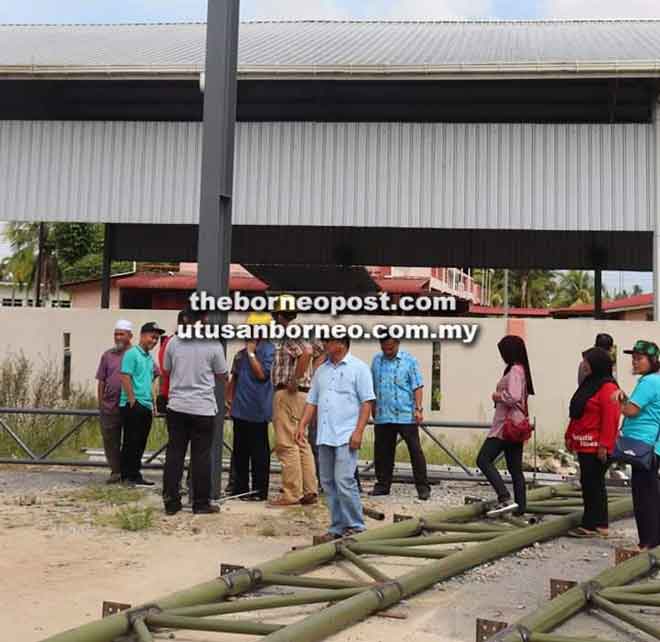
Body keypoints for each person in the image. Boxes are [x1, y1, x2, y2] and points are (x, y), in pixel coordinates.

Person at [297, 337, 375, 542]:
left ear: (341, 344)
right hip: (325, 434)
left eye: (328, 342)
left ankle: (356, 527)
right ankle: (338, 526)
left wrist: (359, 431)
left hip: (346, 434)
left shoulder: (359, 368)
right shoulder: (321, 370)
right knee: (328, 482)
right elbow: (312, 401)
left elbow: (367, 403)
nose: (324, 345)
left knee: (344, 480)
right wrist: (302, 424)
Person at [162, 308, 228, 515]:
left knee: (174, 454)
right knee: (201, 457)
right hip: (203, 408)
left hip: (177, 406)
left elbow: (167, 369)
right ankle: (200, 503)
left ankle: (171, 502)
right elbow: (222, 374)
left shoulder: (173, 342)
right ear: (204, 320)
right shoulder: (212, 343)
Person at [269, 295, 323, 507]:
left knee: (286, 443)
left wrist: (295, 378)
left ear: (280, 314)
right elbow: (319, 352)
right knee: (302, 442)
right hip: (304, 394)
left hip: (288, 393)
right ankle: (309, 490)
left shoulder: (290, 331)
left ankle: (291, 493)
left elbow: (307, 353)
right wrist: (311, 375)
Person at [565, 347, 620, 538]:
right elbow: (577, 414)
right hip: (583, 443)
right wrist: (570, 435)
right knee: (590, 483)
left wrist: (605, 445)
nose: (584, 365)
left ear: (596, 364)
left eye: (587, 361)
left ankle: (593, 524)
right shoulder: (589, 385)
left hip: (596, 446)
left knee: (593, 484)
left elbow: (611, 419)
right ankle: (597, 523)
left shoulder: (608, 388)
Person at [477, 335, 535, 514]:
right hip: (515, 425)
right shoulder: (519, 369)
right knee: (515, 468)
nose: (502, 355)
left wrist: (497, 396)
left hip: (505, 426)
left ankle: (504, 497)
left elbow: (514, 397)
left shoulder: (516, 370)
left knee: (483, 460)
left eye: (503, 352)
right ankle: (520, 507)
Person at [370, 335, 430, 500]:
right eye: (384, 348)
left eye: (390, 348)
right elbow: (372, 386)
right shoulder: (376, 361)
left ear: (397, 343)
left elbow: (417, 385)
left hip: (405, 415)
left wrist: (418, 409)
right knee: (382, 452)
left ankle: (423, 487)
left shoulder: (409, 360)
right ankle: (383, 485)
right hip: (383, 415)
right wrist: (373, 406)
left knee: (415, 451)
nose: (387, 351)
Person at [613, 340, 660, 550]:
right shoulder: (655, 380)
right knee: (651, 492)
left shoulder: (649, 382)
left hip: (644, 445)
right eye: (633, 358)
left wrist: (621, 399)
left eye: (639, 358)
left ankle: (647, 542)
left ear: (653, 361)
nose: (635, 362)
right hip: (651, 446)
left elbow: (632, 410)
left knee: (644, 496)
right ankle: (654, 540)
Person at [226, 312, 275, 501]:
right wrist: (229, 401)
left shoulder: (269, 350)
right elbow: (234, 379)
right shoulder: (240, 355)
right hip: (240, 409)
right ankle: (240, 488)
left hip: (258, 410)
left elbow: (262, 375)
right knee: (240, 452)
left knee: (259, 453)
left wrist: (252, 353)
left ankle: (259, 490)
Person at [119, 321, 164, 486]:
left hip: (145, 404)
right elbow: (125, 376)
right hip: (133, 404)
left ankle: (135, 474)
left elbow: (151, 379)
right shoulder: (132, 353)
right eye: (152, 337)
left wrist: (152, 403)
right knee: (130, 441)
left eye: (157, 339)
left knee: (140, 442)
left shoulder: (148, 358)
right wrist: (132, 400)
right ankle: (126, 476)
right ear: (143, 335)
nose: (154, 341)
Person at [95, 319, 133, 484]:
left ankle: (128, 473)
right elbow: (101, 380)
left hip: (129, 405)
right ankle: (115, 471)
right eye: (116, 334)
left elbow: (153, 373)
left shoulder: (136, 354)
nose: (118, 337)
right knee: (110, 440)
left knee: (130, 440)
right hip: (109, 406)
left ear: (130, 336)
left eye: (121, 334)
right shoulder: (107, 355)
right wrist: (101, 402)